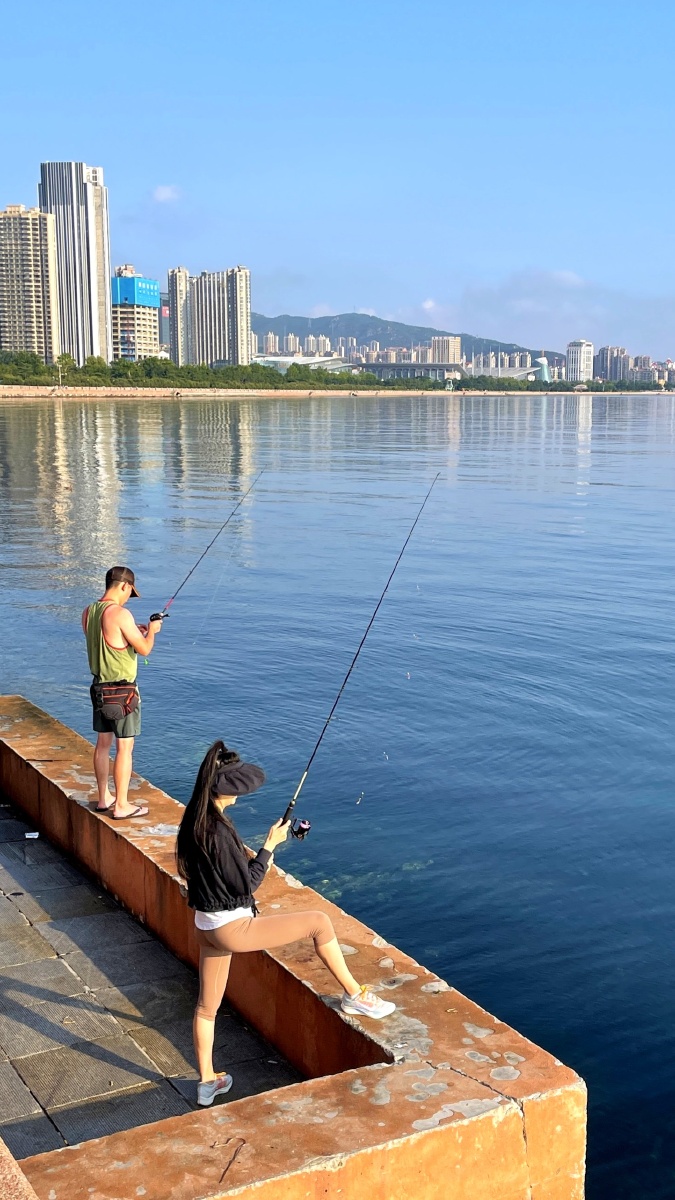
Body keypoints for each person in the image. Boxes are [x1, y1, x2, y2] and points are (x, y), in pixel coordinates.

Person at [176, 740, 396, 1107]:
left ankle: (207, 1082)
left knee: (206, 1007)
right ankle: (355, 996)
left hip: (206, 925)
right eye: (236, 788)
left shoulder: (193, 822)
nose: (239, 794)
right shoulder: (218, 831)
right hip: (231, 929)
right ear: (225, 789)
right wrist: (270, 846)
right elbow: (246, 883)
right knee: (319, 923)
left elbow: (215, 879)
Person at [82, 566, 163, 820]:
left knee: (102, 745)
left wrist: (133, 631)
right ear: (125, 586)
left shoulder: (89, 612)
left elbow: (110, 643)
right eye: (130, 592)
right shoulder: (120, 613)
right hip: (123, 692)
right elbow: (145, 649)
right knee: (124, 748)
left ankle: (104, 799)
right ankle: (122, 805)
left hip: (99, 688)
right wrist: (152, 631)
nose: (129, 598)